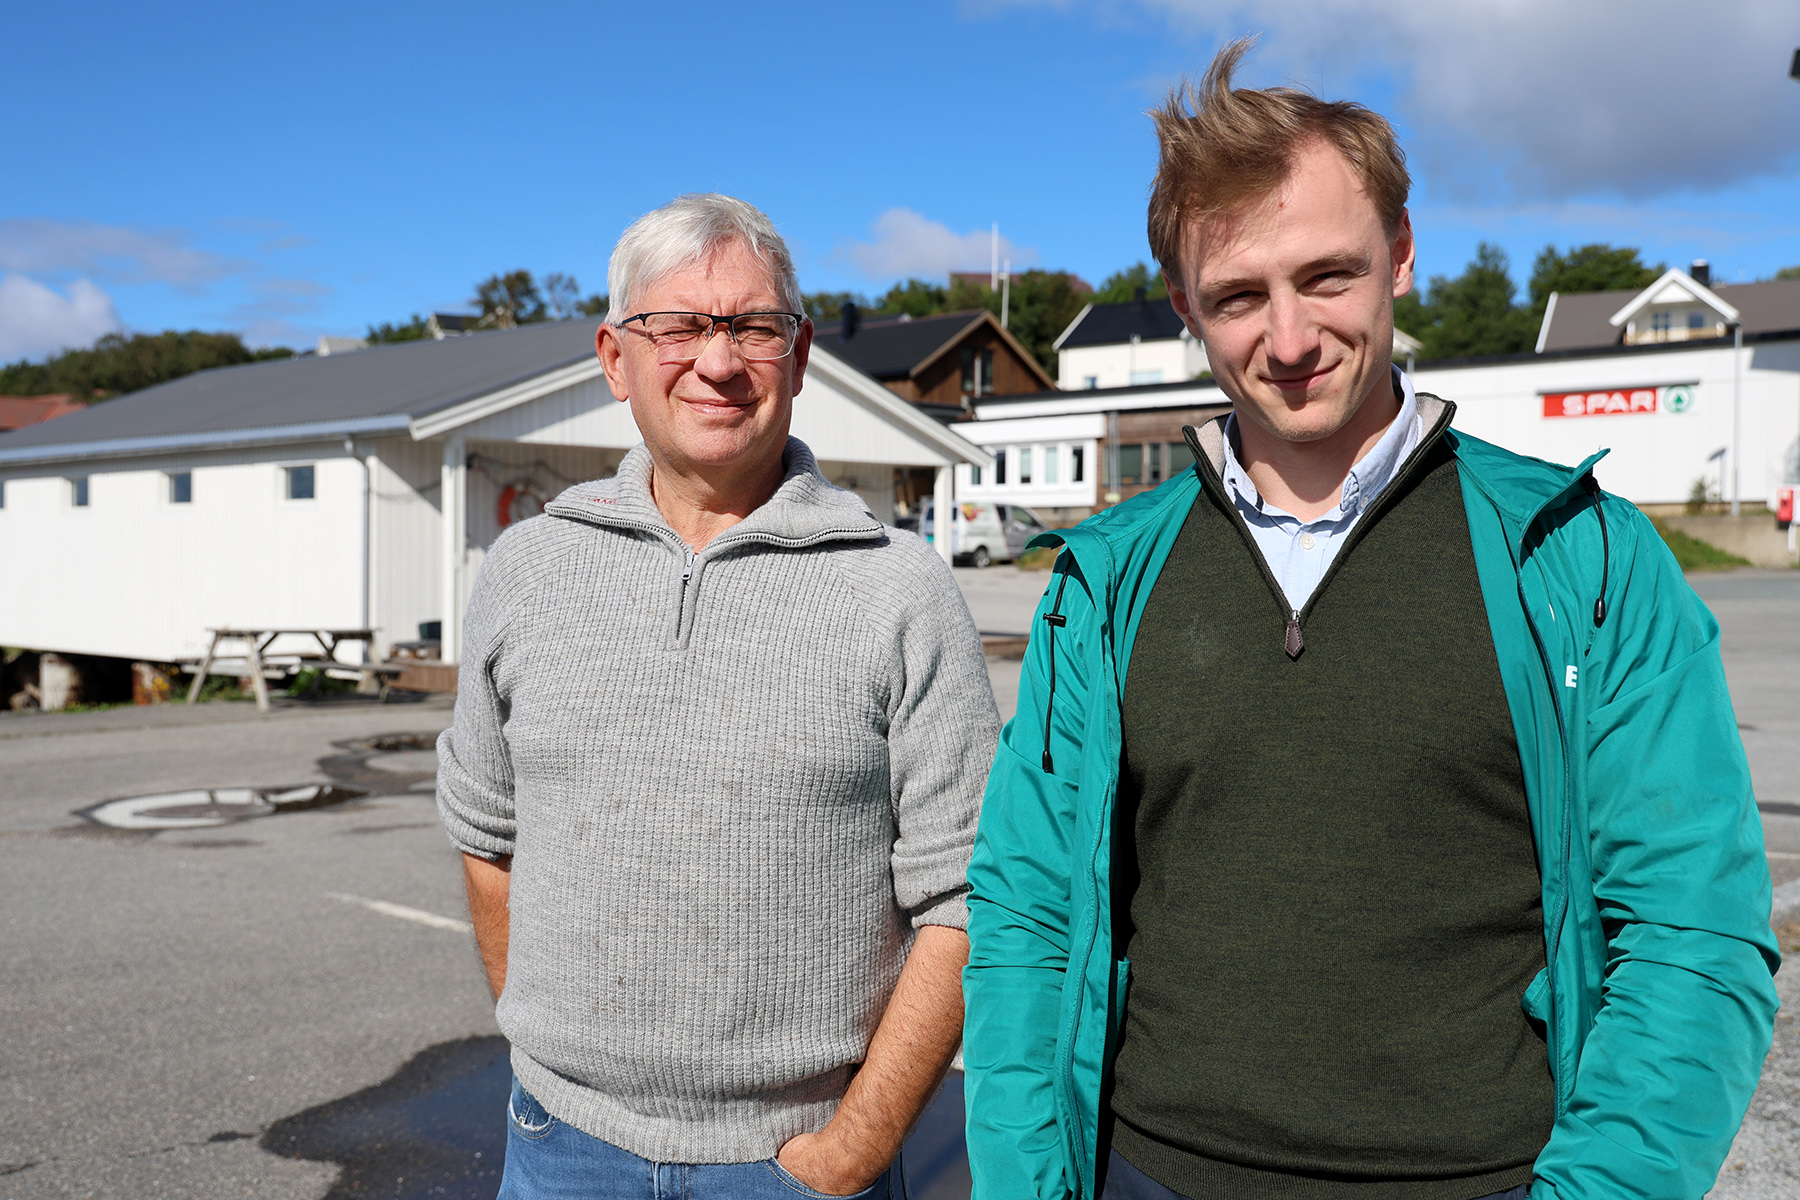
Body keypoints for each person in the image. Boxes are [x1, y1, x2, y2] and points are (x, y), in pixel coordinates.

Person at [962, 40, 1778, 1200]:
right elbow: (1030, 922)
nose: (1288, 341)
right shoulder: (1106, 581)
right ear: (1188, 306)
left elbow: (1693, 935)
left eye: (1326, 277)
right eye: (1239, 296)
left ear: (1399, 256)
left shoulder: (1579, 557)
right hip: (1148, 1177)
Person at [438, 192, 999, 1199]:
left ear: (801, 353)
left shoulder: (898, 589)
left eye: (753, 326)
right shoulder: (525, 572)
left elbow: (968, 896)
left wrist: (853, 1151)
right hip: (559, 1148)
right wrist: (555, 1056)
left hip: (796, 1161)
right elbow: (487, 838)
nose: (720, 360)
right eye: (680, 325)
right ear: (615, 358)